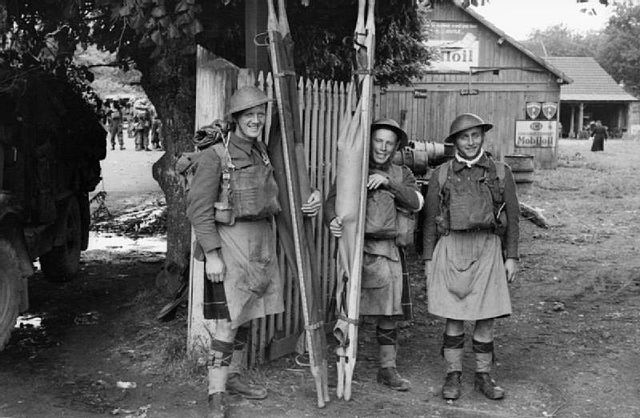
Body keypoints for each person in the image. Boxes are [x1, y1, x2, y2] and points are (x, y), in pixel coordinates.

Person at [186, 86, 321, 418]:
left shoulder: (261, 151)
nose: (256, 120)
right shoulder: (215, 155)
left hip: (261, 241)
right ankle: (215, 394)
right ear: (235, 119)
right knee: (227, 323)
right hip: (230, 242)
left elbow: (281, 192)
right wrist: (213, 255)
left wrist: (310, 198)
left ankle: (234, 377)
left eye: (260, 114)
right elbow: (198, 211)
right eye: (249, 115)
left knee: (245, 315)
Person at [422, 113, 519, 401]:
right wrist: (428, 259)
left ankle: (483, 376)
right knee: (453, 318)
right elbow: (428, 221)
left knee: (486, 318)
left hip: (488, 248)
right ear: (454, 142)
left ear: (483, 137)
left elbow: (512, 219)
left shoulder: (501, 172)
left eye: (475, 135)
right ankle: (453, 375)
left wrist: (511, 256)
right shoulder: (441, 174)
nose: (470, 141)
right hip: (452, 248)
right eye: (464, 137)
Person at [324, 118, 423, 392]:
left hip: (388, 250)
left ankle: (387, 369)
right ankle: (342, 364)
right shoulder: (352, 169)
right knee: (347, 310)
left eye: (389, 143)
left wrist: (389, 182)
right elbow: (332, 201)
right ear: (370, 142)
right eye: (378, 141)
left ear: (396, 147)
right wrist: (331, 218)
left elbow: (416, 202)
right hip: (355, 249)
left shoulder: (402, 174)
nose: (383, 147)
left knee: (389, 313)